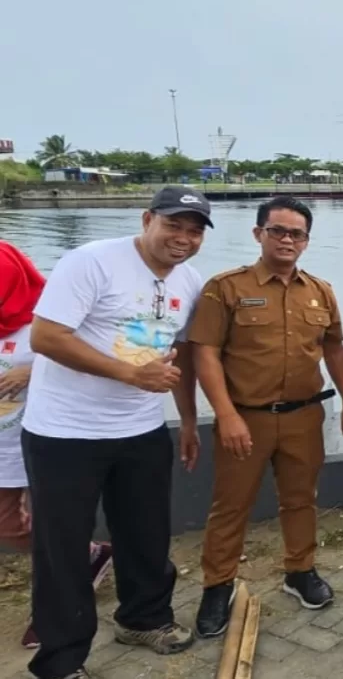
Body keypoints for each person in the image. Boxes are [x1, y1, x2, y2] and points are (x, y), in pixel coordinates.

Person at [22, 187, 211, 679]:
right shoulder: (91, 262)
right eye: (174, 225)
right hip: (64, 433)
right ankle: (61, 662)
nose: (183, 238)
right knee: (62, 549)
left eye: (194, 231)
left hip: (141, 429)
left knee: (145, 533)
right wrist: (129, 375)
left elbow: (182, 355)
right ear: (147, 219)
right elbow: (46, 337)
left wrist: (188, 419)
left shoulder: (189, 282)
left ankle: (142, 618)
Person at [187, 196, 343, 638]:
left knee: (301, 499)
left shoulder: (320, 291)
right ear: (258, 233)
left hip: (304, 416)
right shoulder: (225, 288)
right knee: (231, 506)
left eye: (296, 234)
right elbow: (204, 353)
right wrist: (224, 415)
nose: (286, 240)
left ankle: (300, 571)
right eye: (277, 231)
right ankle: (217, 585)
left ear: (306, 241)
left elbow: (334, 348)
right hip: (246, 418)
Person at [0, 242, 114, 650]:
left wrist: (33, 368)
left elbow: (95, 352)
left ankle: (52, 615)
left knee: (53, 529)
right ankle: (88, 556)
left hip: (47, 435)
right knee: (10, 524)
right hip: (3, 444)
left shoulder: (50, 313)